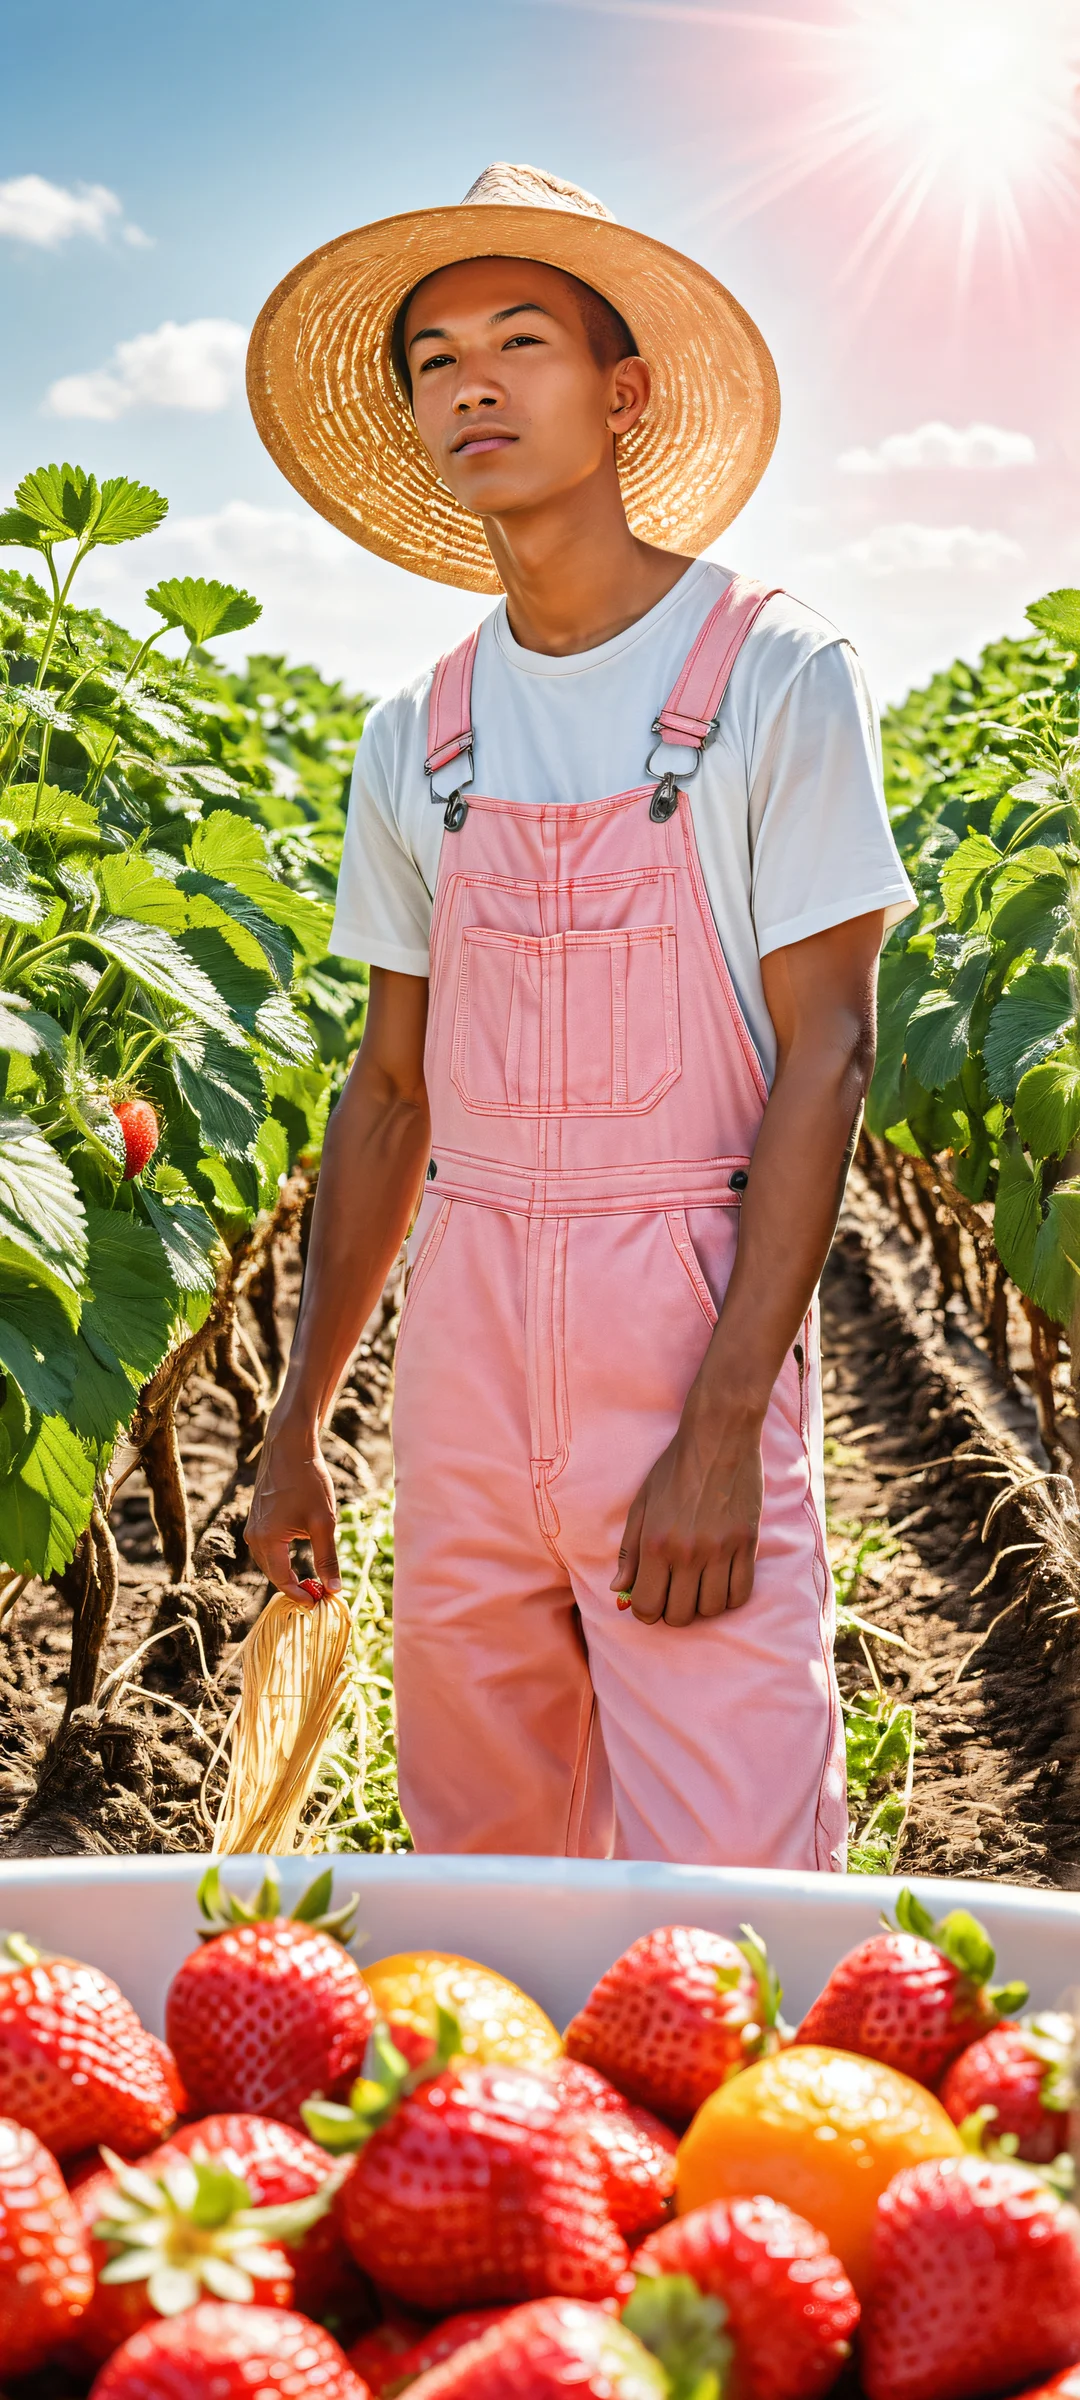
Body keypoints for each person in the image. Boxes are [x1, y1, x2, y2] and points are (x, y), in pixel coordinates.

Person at [244, 162, 916, 1867]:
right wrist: (302, 1416)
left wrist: (722, 1430)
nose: (472, 383)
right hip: (463, 1359)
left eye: (520, 341)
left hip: (682, 1333)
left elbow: (829, 1054)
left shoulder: (773, 672)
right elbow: (390, 1096)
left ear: (622, 395)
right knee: (486, 1873)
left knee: (735, 1888)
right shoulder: (420, 731)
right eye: (435, 359)